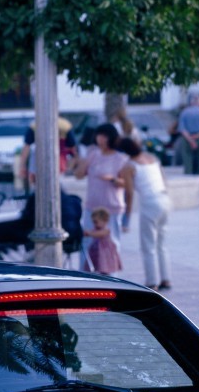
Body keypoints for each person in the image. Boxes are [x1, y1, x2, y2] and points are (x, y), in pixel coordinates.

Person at [118, 136, 173, 290]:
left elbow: (129, 193)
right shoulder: (152, 158)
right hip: (164, 199)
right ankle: (166, 278)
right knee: (161, 243)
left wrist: (126, 219)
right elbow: (164, 180)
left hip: (150, 203)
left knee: (148, 244)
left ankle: (152, 281)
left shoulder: (129, 166)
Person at [73, 123, 127, 270]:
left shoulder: (120, 159)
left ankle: (110, 275)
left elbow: (127, 183)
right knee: (88, 240)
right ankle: (86, 275)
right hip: (92, 206)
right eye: (98, 135)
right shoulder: (93, 154)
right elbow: (78, 175)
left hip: (112, 208)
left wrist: (113, 179)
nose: (100, 139)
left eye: (104, 136)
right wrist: (85, 159)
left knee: (111, 242)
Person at [84, 207, 122, 276]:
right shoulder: (95, 229)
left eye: (96, 222)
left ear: (104, 220)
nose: (94, 224)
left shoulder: (106, 230)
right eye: (93, 222)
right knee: (96, 267)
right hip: (96, 252)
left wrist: (89, 233)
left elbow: (99, 234)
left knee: (104, 268)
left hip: (104, 254)